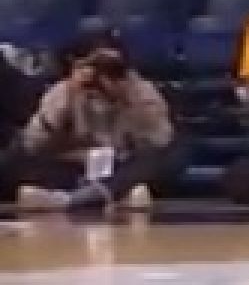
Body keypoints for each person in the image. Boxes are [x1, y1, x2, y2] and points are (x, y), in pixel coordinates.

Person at [14, 28, 178, 212]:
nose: (102, 74)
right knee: (20, 159)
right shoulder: (63, 91)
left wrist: (130, 101)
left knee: (164, 158)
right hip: (76, 165)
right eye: (95, 65)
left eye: (112, 67)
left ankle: (77, 199)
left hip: (122, 165)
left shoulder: (141, 92)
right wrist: (66, 100)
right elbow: (33, 144)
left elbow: (160, 142)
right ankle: (115, 197)